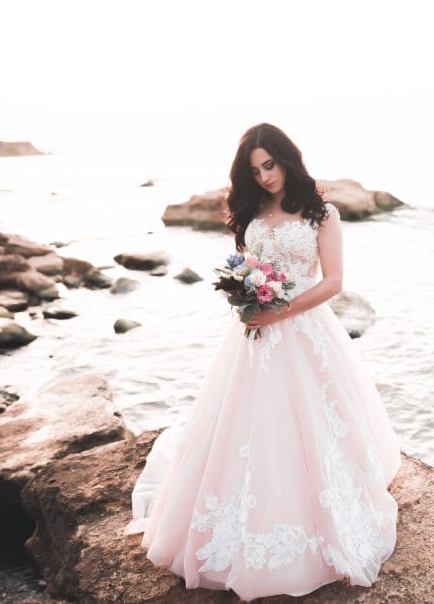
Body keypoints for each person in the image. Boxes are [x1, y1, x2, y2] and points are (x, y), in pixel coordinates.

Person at [126, 123, 401, 600]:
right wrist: (247, 300)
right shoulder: (251, 209)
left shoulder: (321, 211)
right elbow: (246, 268)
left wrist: (277, 312)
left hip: (302, 328)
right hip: (252, 332)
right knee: (241, 421)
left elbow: (333, 282)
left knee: (312, 421)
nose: (265, 176)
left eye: (269, 165)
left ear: (286, 159)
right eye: (255, 170)